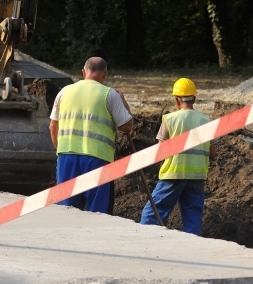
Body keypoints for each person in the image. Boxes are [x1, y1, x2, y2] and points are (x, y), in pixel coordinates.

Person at [49, 57, 132, 214]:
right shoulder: (110, 95)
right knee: (97, 213)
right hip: (97, 158)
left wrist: (60, 149)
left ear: (83, 72)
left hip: (67, 156)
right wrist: (123, 101)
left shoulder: (64, 91)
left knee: (66, 210)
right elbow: (126, 126)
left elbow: (53, 125)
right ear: (105, 74)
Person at [140, 77, 215, 235]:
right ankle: (192, 251)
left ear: (176, 100)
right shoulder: (206, 120)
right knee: (193, 219)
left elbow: (160, 152)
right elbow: (213, 152)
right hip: (197, 176)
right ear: (194, 98)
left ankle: (145, 242)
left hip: (173, 174)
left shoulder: (170, 119)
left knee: (151, 214)